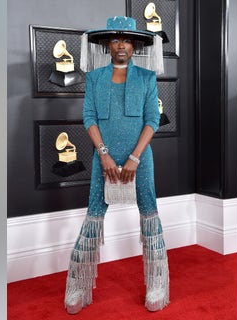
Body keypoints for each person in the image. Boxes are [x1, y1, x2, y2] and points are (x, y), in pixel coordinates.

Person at [63, 16, 169, 314]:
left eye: (126, 40)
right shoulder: (95, 78)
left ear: (134, 45)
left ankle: (156, 282)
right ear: (108, 45)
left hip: (140, 158)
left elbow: (151, 120)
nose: (121, 45)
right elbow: (89, 118)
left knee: (149, 213)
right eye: (115, 40)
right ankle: (78, 283)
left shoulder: (147, 78)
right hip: (104, 157)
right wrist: (104, 154)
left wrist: (135, 157)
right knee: (94, 215)